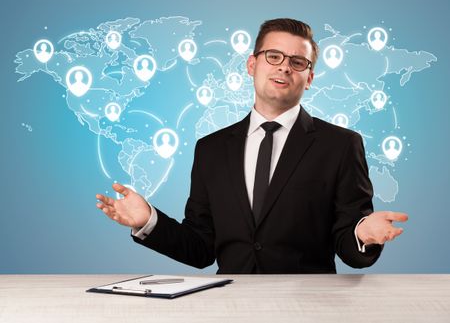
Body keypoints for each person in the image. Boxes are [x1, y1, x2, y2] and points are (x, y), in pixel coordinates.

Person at [96, 18, 408, 274]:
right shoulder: (211, 149)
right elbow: (202, 247)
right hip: (229, 306)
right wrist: (148, 220)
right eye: (274, 56)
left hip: (308, 307)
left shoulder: (340, 146)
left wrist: (362, 234)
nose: (284, 67)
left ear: (309, 77)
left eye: (298, 62)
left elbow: (347, 244)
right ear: (251, 65)